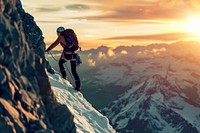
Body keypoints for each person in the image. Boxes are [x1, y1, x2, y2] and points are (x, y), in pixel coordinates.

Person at [45, 27, 81, 91]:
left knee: (60, 63)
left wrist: (47, 50)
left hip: (68, 55)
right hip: (74, 55)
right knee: (74, 71)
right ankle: (78, 86)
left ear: (59, 32)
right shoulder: (69, 36)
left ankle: (64, 77)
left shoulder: (61, 37)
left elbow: (54, 44)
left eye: (57, 33)